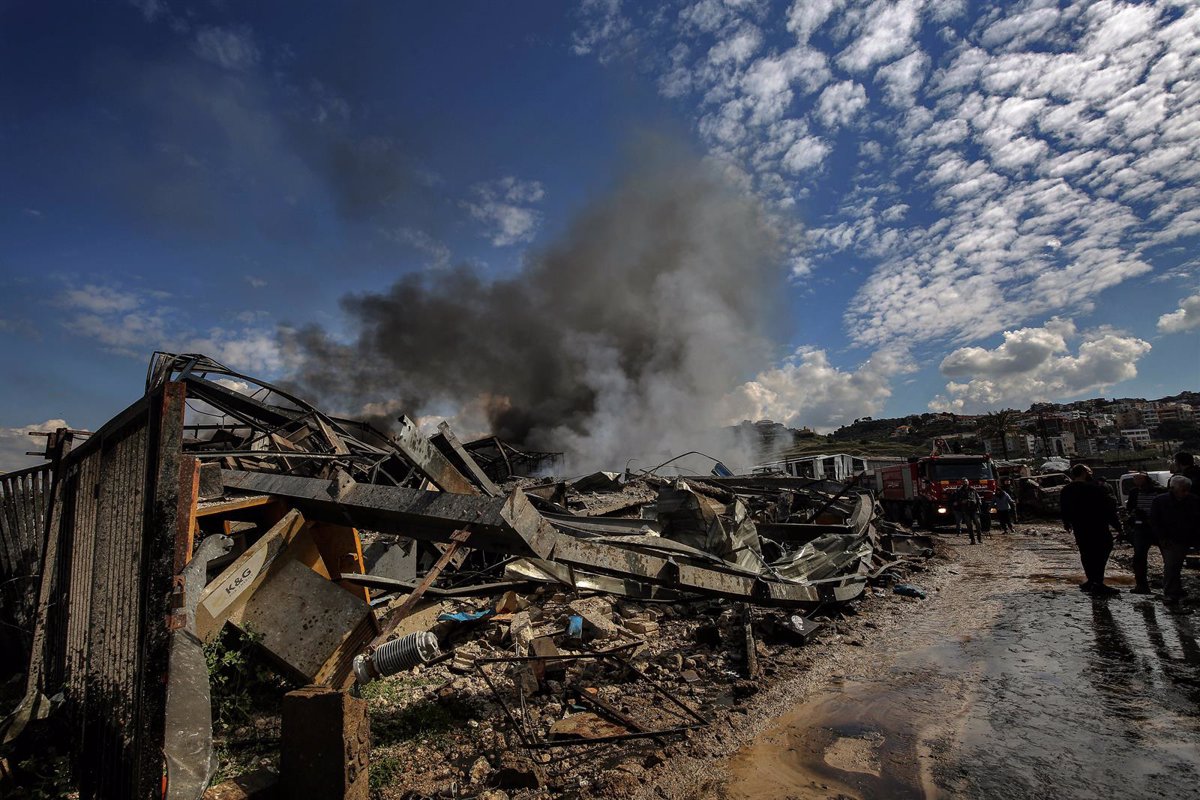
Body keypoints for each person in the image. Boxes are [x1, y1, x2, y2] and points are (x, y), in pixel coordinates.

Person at [1061, 464, 1123, 595]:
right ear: (1084, 473)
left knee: (1086, 553)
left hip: (1080, 527)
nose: (1091, 473)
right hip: (1098, 526)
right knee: (1102, 552)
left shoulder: (1066, 490)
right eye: (1089, 471)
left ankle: (1091, 581)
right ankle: (1098, 583)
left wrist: (1067, 523)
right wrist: (1118, 527)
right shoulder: (1095, 488)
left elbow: (1064, 509)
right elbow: (1108, 510)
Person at [1150, 475, 1200, 606]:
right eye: (1183, 490)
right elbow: (1155, 521)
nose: (1185, 493)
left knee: (1174, 566)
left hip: (1187, 537)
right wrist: (1162, 537)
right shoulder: (1161, 501)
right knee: (1172, 566)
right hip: (1171, 538)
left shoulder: (1192, 500)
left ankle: (1174, 591)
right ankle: (1171, 593)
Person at [1125, 472, 1165, 594]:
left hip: (1158, 527)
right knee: (1139, 557)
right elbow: (1130, 508)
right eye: (1135, 479)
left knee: (1167, 555)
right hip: (1141, 527)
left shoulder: (1159, 491)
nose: (1136, 481)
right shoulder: (1134, 492)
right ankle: (1141, 585)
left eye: (1139, 478)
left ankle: (1170, 583)